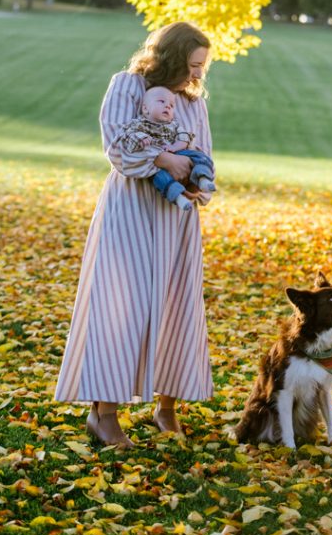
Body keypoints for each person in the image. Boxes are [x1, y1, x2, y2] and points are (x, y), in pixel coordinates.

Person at [55, 22, 215, 449]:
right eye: (193, 64)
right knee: (122, 306)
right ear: (172, 57)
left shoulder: (193, 103)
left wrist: (195, 181)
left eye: (202, 66)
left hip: (176, 217)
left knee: (177, 306)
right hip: (130, 210)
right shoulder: (128, 86)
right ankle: (103, 414)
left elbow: (204, 154)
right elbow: (117, 146)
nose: (198, 74)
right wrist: (164, 159)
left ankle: (166, 408)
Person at [122, 84, 216, 212]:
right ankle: (178, 198)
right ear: (145, 108)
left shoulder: (174, 125)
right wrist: (142, 138)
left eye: (171, 106)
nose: (167, 106)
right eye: (162, 102)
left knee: (198, 156)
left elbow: (184, 137)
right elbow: (129, 134)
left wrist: (175, 146)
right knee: (158, 178)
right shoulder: (140, 124)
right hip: (156, 163)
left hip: (178, 152)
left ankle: (203, 177)